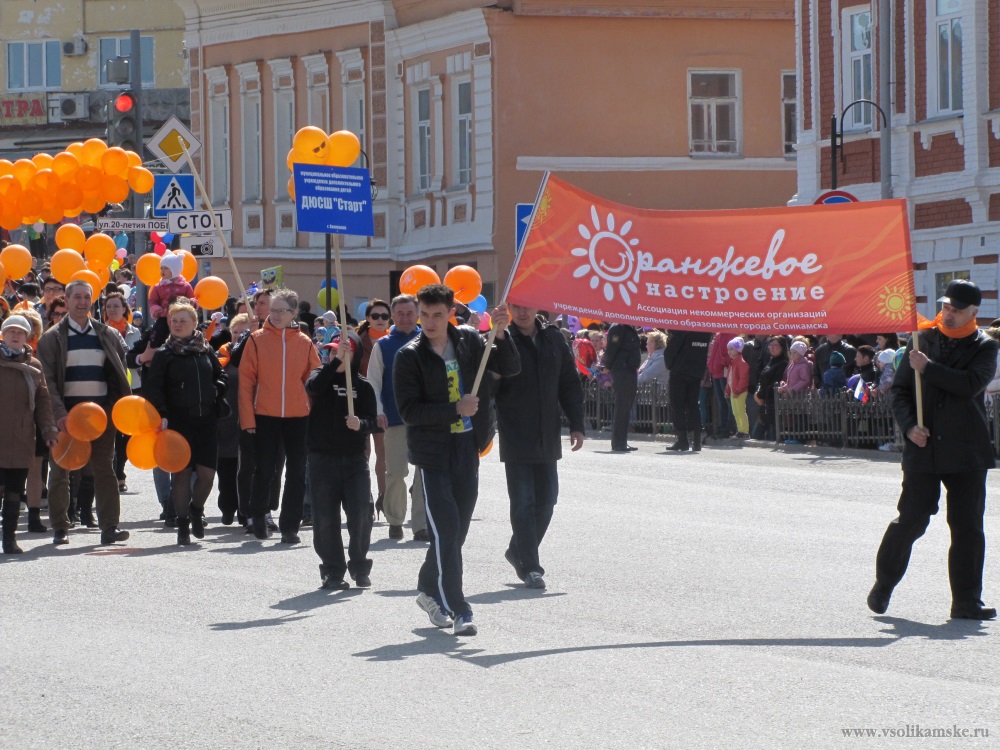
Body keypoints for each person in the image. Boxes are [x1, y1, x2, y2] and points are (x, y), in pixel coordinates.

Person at [394, 284, 519, 636]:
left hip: (467, 448)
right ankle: (459, 608)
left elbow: (509, 367)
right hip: (433, 455)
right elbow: (409, 411)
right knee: (446, 531)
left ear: (451, 313)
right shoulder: (409, 356)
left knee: (456, 533)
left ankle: (428, 589)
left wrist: (501, 332)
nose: (429, 322)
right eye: (424, 314)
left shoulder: (469, 341)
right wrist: (455, 408)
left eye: (437, 314)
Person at [868, 280, 997, 620]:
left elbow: (970, 385)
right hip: (922, 448)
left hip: (966, 451)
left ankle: (966, 602)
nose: (948, 313)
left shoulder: (985, 346)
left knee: (967, 527)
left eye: (956, 309)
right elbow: (900, 392)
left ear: (974, 312)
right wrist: (910, 427)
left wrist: (927, 367)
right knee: (911, 520)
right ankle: (884, 583)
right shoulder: (921, 339)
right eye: (946, 306)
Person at [496, 303, 584, 589]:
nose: (522, 313)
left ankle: (517, 549)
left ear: (536, 307)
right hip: (516, 431)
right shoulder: (502, 338)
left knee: (547, 500)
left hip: (547, 431)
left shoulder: (553, 338)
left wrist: (577, 423)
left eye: (527, 307)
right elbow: (489, 386)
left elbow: (569, 382)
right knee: (523, 502)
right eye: (516, 307)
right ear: (509, 307)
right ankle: (531, 568)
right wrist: (497, 338)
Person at [36, 280, 131, 545]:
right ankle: (60, 527)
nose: (82, 302)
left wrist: (114, 409)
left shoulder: (107, 334)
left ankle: (110, 526)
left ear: (92, 301)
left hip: (100, 417)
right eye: (77, 297)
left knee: (105, 470)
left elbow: (118, 374)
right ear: (66, 300)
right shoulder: (51, 338)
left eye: (86, 297)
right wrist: (59, 414)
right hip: (65, 417)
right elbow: (47, 382)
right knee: (60, 472)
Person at [238, 288, 320, 542]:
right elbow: (246, 381)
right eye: (272, 310)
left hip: (298, 416)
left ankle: (290, 526)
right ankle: (258, 515)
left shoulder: (305, 342)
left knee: (296, 472)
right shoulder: (256, 339)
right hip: (264, 414)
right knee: (264, 469)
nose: (274, 314)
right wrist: (248, 419)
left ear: (294, 313)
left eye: (280, 310)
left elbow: (314, 379)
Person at [144, 301, 227, 546]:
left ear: (194, 323)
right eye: (174, 321)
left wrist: (217, 388)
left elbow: (220, 374)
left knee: (207, 475)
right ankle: (182, 525)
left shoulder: (205, 349)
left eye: (183, 321)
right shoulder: (164, 354)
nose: (178, 325)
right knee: (181, 474)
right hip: (178, 421)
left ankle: (196, 510)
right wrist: (162, 413)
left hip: (207, 419)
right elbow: (154, 387)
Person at [306, 335, 380, 590]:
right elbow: (313, 389)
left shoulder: (363, 385)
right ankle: (332, 571)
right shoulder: (320, 376)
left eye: (344, 352)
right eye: (332, 351)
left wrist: (361, 424)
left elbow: (373, 421)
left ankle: (359, 566)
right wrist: (335, 364)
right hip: (322, 457)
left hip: (354, 459)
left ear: (355, 356)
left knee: (361, 514)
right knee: (325, 517)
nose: (336, 355)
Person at [366, 294, 428, 541]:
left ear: (418, 314)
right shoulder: (383, 346)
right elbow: (373, 381)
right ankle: (395, 519)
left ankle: (421, 524)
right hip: (394, 418)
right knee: (395, 472)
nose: (405, 318)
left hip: (425, 419)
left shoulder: (430, 341)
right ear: (393, 316)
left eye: (409, 313)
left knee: (423, 473)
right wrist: (379, 410)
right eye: (400, 314)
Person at [1, 316, 59, 553]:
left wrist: (49, 430)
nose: (15, 336)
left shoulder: (34, 366)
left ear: (27, 337)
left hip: (23, 436)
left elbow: (43, 402)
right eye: (11, 331)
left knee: (15, 490)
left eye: (20, 332)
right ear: (3, 335)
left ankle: (9, 540)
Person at [357, 299, 392, 525]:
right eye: (375, 316)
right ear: (368, 318)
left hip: (383, 404)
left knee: (383, 454)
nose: (380, 320)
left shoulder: (393, 340)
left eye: (384, 316)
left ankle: (384, 497)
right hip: (360, 404)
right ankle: (364, 498)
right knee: (363, 454)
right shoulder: (357, 341)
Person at [104, 291, 141, 494]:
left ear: (125, 309)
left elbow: (141, 358)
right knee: (113, 433)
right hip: (112, 388)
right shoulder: (101, 331)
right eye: (108, 306)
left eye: (116, 306)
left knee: (128, 435)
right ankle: (117, 474)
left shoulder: (136, 333)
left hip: (134, 387)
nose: (112, 310)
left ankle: (120, 467)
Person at [663, 330, 712, 452]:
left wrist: (671, 365)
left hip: (680, 371)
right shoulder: (705, 331)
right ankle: (696, 441)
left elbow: (671, 350)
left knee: (677, 406)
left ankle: (682, 440)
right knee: (693, 406)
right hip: (696, 372)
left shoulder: (682, 329)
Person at [602, 322, 641, 452]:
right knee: (622, 406)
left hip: (630, 369)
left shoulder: (629, 327)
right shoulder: (618, 327)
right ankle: (618, 442)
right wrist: (607, 366)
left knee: (626, 407)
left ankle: (622, 440)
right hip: (621, 369)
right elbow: (612, 348)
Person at [753, 336, 789, 441]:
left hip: (773, 405)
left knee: (772, 436)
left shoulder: (783, 363)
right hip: (764, 404)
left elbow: (775, 383)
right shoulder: (770, 361)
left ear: (782, 347)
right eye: (770, 345)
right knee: (756, 436)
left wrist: (760, 395)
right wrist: (757, 393)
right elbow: (761, 379)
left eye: (775, 345)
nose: (771, 348)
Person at [725, 337, 750, 439]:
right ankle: (740, 430)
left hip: (740, 391)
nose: (729, 352)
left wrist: (738, 390)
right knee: (735, 411)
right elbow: (729, 378)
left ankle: (745, 431)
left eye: (732, 349)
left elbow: (743, 379)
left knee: (740, 411)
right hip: (733, 390)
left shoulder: (742, 363)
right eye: (728, 349)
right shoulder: (732, 362)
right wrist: (728, 390)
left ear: (738, 349)